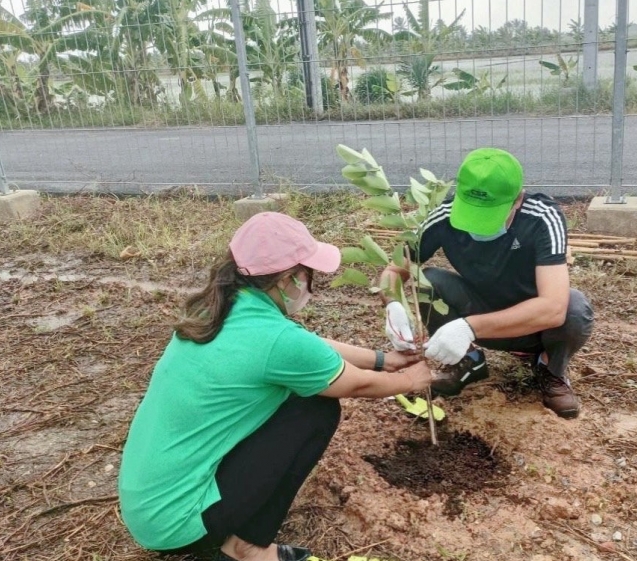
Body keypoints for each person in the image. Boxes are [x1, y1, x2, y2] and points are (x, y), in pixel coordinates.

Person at [118, 212, 432, 561]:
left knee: (297, 397)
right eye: (307, 274)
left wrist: (383, 360)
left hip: (148, 505)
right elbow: (354, 385)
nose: (310, 283)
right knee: (315, 409)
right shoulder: (274, 341)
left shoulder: (221, 307)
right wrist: (410, 380)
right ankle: (248, 547)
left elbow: (306, 347)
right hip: (179, 523)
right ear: (287, 280)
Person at [380, 148, 594, 419]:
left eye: (489, 215)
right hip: (479, 308)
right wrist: (393, 303)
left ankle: (550, 369)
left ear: (517, 200)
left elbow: (552, 308)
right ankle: (468, 362)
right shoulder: (444, 216)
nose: (479, 227)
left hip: (534, 325)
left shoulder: (541, 218)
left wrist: (469, 327)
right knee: (428, 282)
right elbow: (395, 269)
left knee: (574, 308)